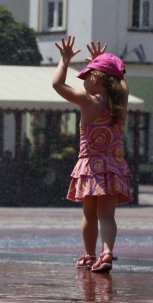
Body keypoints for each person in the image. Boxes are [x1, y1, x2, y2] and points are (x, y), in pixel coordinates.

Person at [52, 37, 131, 273]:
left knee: (89, 214)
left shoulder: (88, 101)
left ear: (97, 80)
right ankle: (107, 252)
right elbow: (121, 80)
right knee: (107, 215)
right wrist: (101, 62)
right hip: (114, 167)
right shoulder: (121, 102)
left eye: (88, 76)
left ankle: (89, 255)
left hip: (92, 168)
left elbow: (57, 84)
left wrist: (65, 61)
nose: (85, 80)